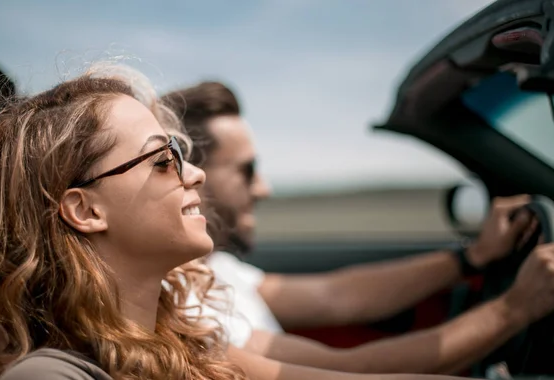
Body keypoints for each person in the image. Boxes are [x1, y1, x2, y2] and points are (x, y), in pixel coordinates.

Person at [0, 64, 480, 380]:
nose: (196, 174)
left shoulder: (185, 346)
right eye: (164, 160)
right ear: (85, 210)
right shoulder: (52, 375)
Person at [161, 81, 554, 374]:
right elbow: (352, 370)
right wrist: (513, 310)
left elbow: (339, 294)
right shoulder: (179, 309)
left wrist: (472, 257)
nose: (264, 188)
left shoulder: (215, 271)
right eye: (247, 171)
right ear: (195, 174)